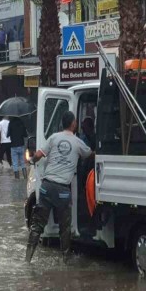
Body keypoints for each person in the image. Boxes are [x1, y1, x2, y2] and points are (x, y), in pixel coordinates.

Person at [26, 111, 93, 263]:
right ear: (73, 124)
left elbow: (38, 155)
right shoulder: (77, 142)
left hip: (46, 187)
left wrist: (31, 161)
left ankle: (27, 259)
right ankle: (66, 259)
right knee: (65, 227)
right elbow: (89, 155)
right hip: (63, 190)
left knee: (37, 225)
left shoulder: (53, 138)